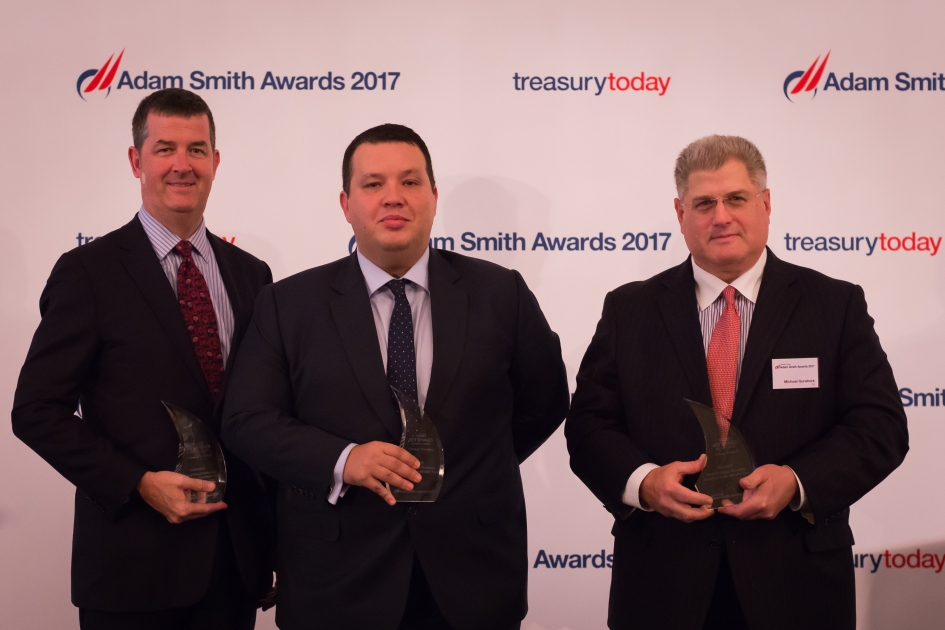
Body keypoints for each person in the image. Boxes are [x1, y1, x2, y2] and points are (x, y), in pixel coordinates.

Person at [221, 123, 569, 630]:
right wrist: (344, 459)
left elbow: (545, 402)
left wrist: (473, 467)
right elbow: (247, 420)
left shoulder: (502, 294)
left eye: (410, 182)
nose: (393, 197)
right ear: (346, 204)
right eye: (373, 184)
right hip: (337, 582)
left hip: (473, 579)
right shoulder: (288, 305)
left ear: (433, 196)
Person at [564, 135, 908, 630]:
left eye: (736, 199)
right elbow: (589, 427)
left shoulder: (834, 305)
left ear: (765, 204)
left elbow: (880, 427)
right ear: (680, 214)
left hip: (797, 581)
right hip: (663, 583)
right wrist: (645, 483)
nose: (721, 217)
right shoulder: (629, 309)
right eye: (704, 203)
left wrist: (797, 481)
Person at [12, 88, 275, 630]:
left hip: (234, 567)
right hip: (132, 569)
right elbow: (36, 411)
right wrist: (137, 482)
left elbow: (263, 415)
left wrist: (277, 543)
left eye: (197, 150)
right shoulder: (87, 273)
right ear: (136, 160)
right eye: (165, 149)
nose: (183, 164)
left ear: (215, 161)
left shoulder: (253, 275)